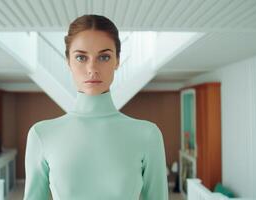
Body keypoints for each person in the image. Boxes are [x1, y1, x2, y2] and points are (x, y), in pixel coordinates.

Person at [23, 14, 168, 200]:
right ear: (68, 61)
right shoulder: (41, 134)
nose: (92, 68)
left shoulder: (147, 135)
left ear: (117, 61)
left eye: (104, 57)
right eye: (81, 58)